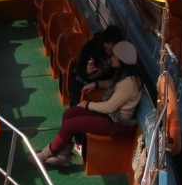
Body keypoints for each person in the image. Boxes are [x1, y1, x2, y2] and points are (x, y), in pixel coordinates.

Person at [34, 41, 142, 169]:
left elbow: (109, 107)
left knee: (70, 125)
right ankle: (64, 153)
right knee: (69, 113)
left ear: (122, 60)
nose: (111, 58)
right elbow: (113, 84)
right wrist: (96, 84)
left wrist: (87, 104)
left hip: (115, 123)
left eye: (114, 56)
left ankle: (46, 154)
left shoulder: (129, 83)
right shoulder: (125, 75)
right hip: (109, 116)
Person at [67, 25, 124, 106]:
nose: (110, 47)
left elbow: (114, 80)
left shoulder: (119, 57)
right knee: (78, 103)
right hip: (81, 79)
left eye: (114, 44)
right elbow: (79, 67)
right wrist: (86, 71)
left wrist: (97, 84)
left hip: (100, 85)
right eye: (107, 43)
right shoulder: (92, 46)